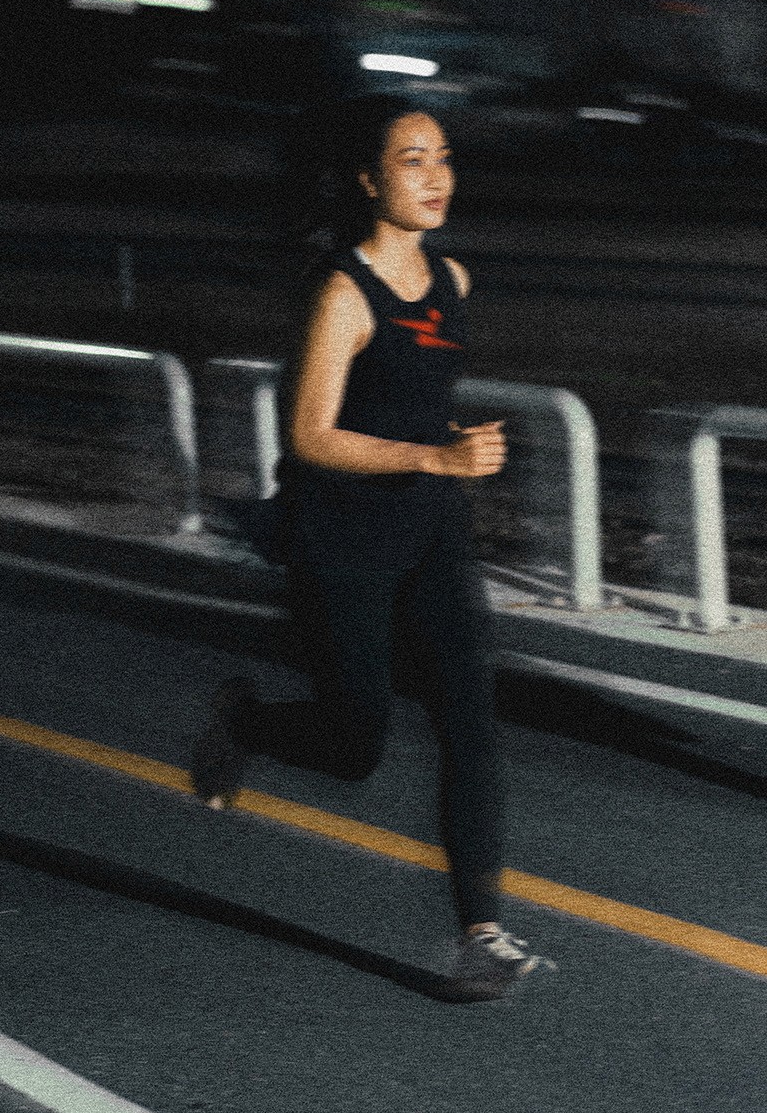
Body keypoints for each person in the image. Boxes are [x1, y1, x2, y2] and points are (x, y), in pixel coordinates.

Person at [193, 94, 550, 996]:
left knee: (471, 719)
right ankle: (246, 721)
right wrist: (434, 452)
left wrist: (451, 454)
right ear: (368, 180)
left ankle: (482, 934)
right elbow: (310, 435)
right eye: (412, 161)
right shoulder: (345, 293)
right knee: (355, 746)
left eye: (444, 159)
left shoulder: (455, 282)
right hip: (343, 537)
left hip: (431, 534)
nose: (436, 178)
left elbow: (411, 400)